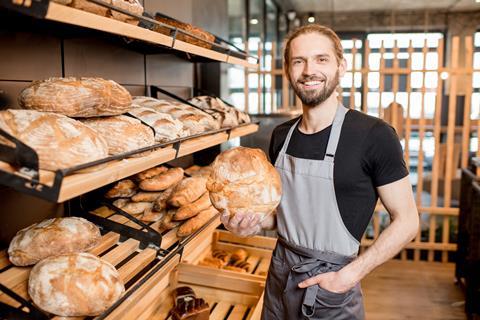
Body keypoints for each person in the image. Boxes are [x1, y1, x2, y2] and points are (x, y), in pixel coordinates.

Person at [220, 24, 419, 320]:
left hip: (332, 288)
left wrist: (349, 276)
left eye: (321, 59)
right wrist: (253, 223)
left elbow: (408, 221)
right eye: (299, 61)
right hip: (279, 277)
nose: (309, 70)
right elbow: (282, 214)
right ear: (288, 70)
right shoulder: (281, 136)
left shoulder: (374, 135)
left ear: (342, 66)